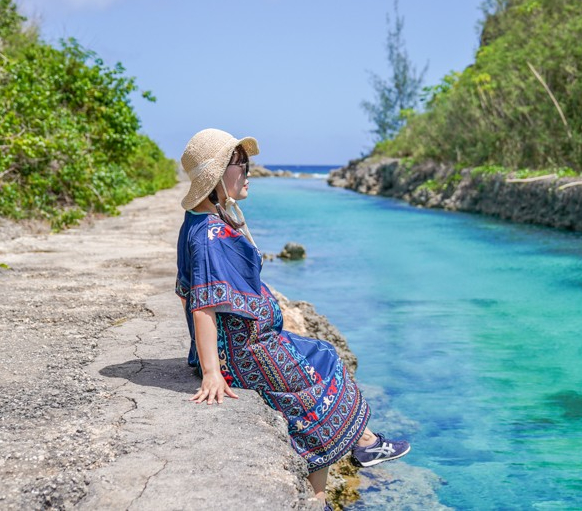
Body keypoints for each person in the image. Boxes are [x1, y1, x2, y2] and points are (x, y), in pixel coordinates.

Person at [175, 128, 410, 507]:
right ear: (217, 176)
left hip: (246, 342)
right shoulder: (209, 236)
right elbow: (201, 305)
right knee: (322, 370)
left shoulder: (203, 222)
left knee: (323, 354)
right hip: (242, 353)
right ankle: (339, 471)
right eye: (240, 165)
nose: (249, 173)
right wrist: (211, 372)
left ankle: (347, 461)